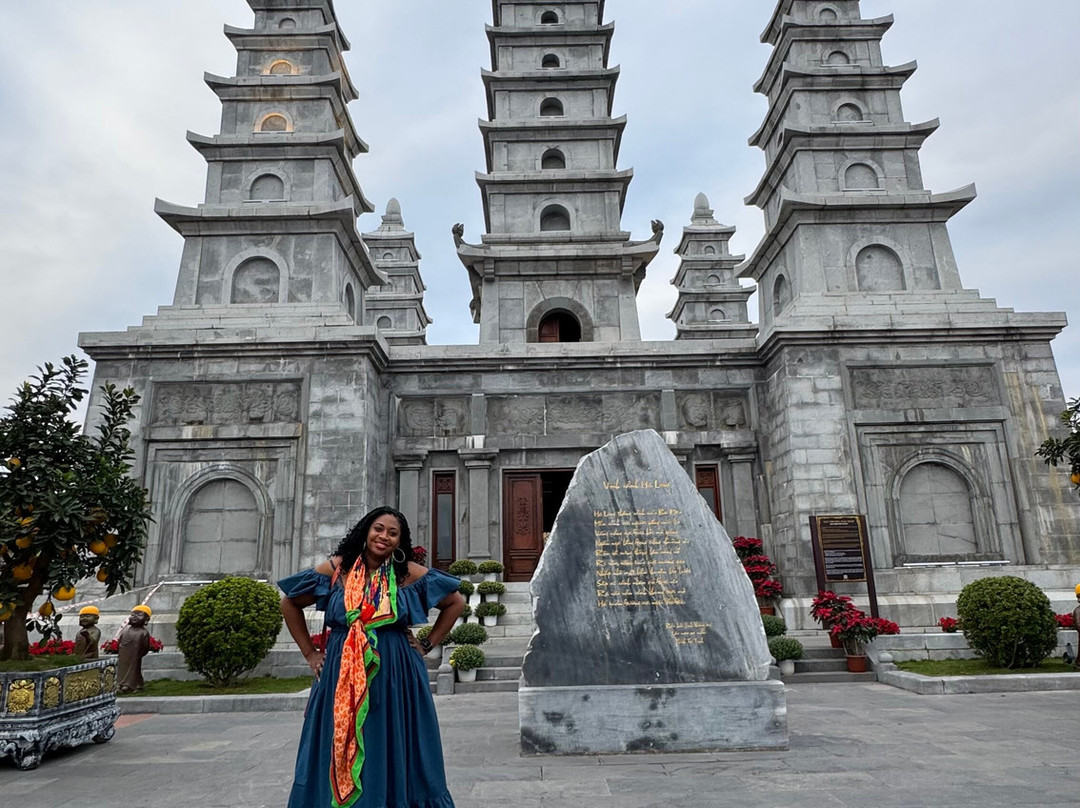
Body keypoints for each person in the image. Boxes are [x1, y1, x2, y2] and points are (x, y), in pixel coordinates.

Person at [280, 506, 465, 808]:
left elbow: (455, 602)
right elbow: (290, 603)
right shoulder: (338, 569)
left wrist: (427, 644)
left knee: (391, 741)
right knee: (339, 740)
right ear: (366, 530)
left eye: (393, 533)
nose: (384, 537)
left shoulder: (407, 574)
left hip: (395, 673)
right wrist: (310, 653)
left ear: (400, 542)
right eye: (379, 528)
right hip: (341, 673)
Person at [117, 605, 152, 693]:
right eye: (133, 615)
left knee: (134, 669)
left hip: (135, 655)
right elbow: (120, 641)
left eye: (139, 614)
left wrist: (139, 654)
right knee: (122, 668)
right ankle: (120, 683)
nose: (135, 617)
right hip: (124, 654)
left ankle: (132, 685)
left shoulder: (143, 632)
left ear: (146, 619)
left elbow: (145, 646)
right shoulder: (125, 631)